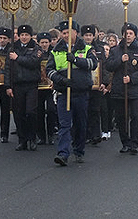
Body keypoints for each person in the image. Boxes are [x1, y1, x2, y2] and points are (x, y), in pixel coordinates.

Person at [47, 20, 97, 166]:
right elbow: (49, 70)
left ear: (76, 32)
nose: (66, 35)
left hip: (81, 93)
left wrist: (75, 60)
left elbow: (93, 64)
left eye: (69, 32)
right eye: (63, 33)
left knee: (80, 124)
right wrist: (60, 80)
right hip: (64, 93)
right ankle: (63, 153)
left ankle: (79, 150)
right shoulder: (55, 50)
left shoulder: (86, 48)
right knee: (65, 124)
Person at [105, 23, 138, 155]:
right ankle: (125, 142)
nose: (128, 36)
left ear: (135, 35)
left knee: (135, 116)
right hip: (119, 90)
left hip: (135, 90)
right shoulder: (115, 50)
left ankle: (134, 144)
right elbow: (109, 66)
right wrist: (120, 60)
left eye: (130, 33)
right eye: (126, 33)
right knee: (121, 117)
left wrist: (132, 78)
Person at [8, 24, 42, 151]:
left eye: (26, 35)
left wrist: (17, 58)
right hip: (17, 85)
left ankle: (32, 137)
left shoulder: (36, 49)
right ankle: (22, 139)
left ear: (30, 36)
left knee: (31, 112)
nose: (24, 37)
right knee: (19, 113)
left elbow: (33, 62)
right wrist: (8, 86)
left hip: (31, 84)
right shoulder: (13, 48)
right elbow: (7, 68)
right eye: (22, 35)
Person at [36, 32, 58, 145]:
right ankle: (41, 136)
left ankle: (51, 134)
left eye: (46, 42)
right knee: (39, 111)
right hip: (38, 87)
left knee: (51, 110)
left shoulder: (54, 53)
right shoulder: (36, 53)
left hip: (51, 87)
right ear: (38, 43)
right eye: (42, 42)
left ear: (50, 43)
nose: (44, 44)